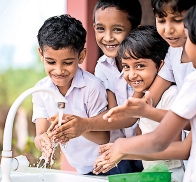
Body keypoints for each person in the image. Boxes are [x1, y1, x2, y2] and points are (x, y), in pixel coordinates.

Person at [98, 0, 196, 181]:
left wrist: (122, 145)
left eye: (187, 36)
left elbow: (159, 140)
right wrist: (146, 111)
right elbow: (192, 122)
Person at [48, 0, 144, 174]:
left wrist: (85, 124)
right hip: (123, 152)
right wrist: (76, 124)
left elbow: (131, 115)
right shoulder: (103, 66)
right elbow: (112, 115)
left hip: (149, 149)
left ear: (135, 29)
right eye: (100, 29)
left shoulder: (144, 65)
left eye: (117, 29)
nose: (107, 37)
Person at [93, 25, 186, 182]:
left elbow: (171, 149)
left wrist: (126, 149)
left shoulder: (171, 96)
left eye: (140, 66)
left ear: (161, 65)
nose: (131, 74)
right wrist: (118, 149)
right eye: (126, 67)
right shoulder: (143, 100)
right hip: (152, 175)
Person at [32, 14, 110, 174]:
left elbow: (104, 137)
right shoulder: (41, 90)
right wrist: (44, 141)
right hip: (81, 170)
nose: (59, 70)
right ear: (41, 54)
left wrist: (79, 128)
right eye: (51, 62)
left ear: (81, 56)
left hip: (109, 164)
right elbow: (39, 136)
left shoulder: (92, 87)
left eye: (67, 63)